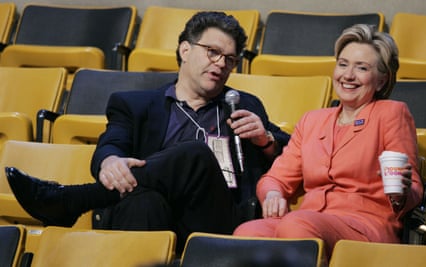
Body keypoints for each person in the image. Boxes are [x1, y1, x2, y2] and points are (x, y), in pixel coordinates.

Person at [5, 11, 289, 252]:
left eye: (229, 59)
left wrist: (267, 141)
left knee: (196, 154)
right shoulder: (135, 105)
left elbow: (296, 153)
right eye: (213, 52)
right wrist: (110, 162)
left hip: (216, 217)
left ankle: (78, 199)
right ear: (185, 50)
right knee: (142, 203)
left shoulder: (243, 104)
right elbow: (111, 145)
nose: (221, 64)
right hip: (152, 211)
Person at [233, 24, 423, 258]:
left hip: (365, 225)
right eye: (343, 64)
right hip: (308, 220)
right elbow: (276, 178)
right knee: (247, 232)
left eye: (361, 68)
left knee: (297, 225)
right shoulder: (312, 120)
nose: (348, 75)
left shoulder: (391, 113)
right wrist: (273, 193)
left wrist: (401, 192)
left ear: (381, 81)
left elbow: (414, 186)